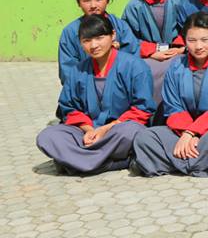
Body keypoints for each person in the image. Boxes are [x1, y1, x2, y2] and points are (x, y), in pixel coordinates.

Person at [38, 14, 155, 175]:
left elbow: (143, 109)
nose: (94, 45)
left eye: (100, 38)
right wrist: (89, 130)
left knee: (133, 131)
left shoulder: (135, 67)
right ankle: (112, 163)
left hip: (118, 130)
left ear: (113, 35)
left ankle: (76, 162)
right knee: (47, 136)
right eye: (87, 41)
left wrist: (104, 130)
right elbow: (69, 108)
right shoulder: (78, 70)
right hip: (87, 132)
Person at [131, 12, 208, 177]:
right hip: (181, 132)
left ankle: (169, 163)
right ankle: (205, 163)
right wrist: (186, 133)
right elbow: (173, 106)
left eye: (205, 40)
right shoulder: (176, 65)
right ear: (184, 40)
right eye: (192, 40)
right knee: (145, 137)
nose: (198, 46)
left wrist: (193, 133)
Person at [121, 0, 189, 101]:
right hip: (150, 57)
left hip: (179, 52)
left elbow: (190, 26)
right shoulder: (134, 6)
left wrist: (179, 47)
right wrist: (151, 52)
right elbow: (127, 40)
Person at [58, 0, 138, 85]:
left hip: (119, 84)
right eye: (87, 0)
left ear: (108, 0)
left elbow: (133, 57)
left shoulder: (120, 26)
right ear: (78, 3)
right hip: (85, 86)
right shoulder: (71, 32)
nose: (93, 5)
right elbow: (67, 70)